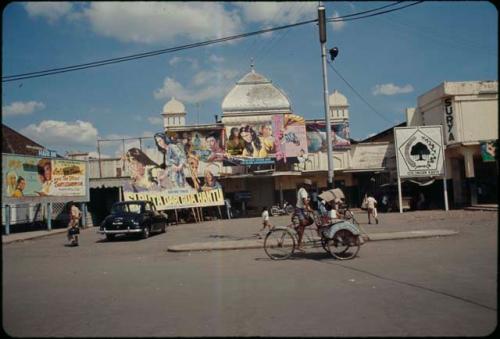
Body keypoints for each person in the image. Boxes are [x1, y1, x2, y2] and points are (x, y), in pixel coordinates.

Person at [295, 178, 314, 251]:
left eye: (309, 186)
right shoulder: (303, 191)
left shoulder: (302, 190)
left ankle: (298, 228)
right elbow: (304, 201)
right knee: (302, 226)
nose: (309, 187)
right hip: (299, 210)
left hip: (301, 209)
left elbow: (305, 201)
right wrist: (308, 208)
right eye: (308, 185)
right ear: (305, 185)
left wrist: (308, 207)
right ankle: (299, 245)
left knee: (310, 221)